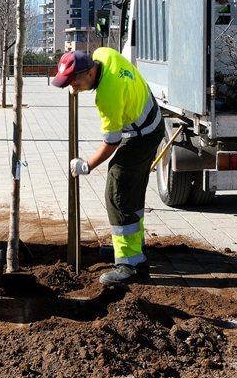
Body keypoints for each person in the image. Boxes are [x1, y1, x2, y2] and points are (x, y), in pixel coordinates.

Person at [51, 49, 164, 286]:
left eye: (75, 82)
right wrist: (76, 82)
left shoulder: (107, 97)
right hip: (149, 123)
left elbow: (111, 143)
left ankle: (132, 265)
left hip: (142, 135)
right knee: (130, 190)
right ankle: (133, 246)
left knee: (118, 192)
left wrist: (86, 165)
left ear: (91, 73)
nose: (72, 87)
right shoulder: (102, 54)